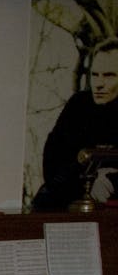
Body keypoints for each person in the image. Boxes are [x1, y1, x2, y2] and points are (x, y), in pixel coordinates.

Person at [35, 36, 118, 211]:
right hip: (70, 192)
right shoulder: (79, 105)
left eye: (109, 75)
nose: (99, 84)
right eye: (95, 75)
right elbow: (53, 160)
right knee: (44, 198)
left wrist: (112, 179)